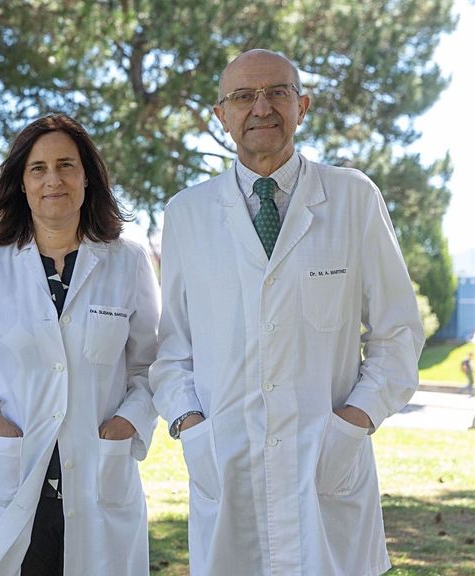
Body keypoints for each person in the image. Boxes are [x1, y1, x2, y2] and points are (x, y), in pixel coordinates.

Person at [149, 49, 425, 575]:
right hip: (227, 464)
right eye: (243, 96)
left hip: (327, 469)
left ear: (303, 106)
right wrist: (191, 425)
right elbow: (172, 351)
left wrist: (353, 422)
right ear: (221, 114)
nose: (261, 108)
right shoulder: (187, 213)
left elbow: (398, 332)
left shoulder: (352, 198)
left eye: (277, 92)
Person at [0, 113, 161, 575]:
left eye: (67, 165)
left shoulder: (128, 261)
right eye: (38, 169)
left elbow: (149, 366)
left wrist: (127, 423)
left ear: (87, 178)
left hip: (99, 482)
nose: (53, 180)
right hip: (15, 479)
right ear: (21, 183)